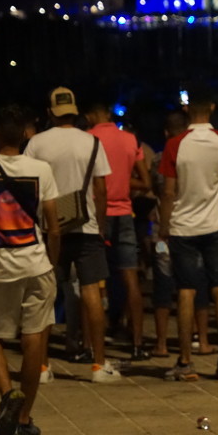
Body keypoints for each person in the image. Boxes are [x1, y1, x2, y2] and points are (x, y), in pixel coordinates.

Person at [0, 105, 61, 435]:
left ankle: (9, 395)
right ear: (25, 134)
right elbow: (53, 226)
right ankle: (24, 417)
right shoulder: (42, 169)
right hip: (36, 263)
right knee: (34, 335)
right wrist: (52, 260)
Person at [25, 87, 121, 383]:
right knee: (92, 292)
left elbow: (28, 186)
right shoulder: (92, 142)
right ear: (74, 110)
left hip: (49, 227)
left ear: (51, 111)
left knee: (46, 295)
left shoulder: (37, 143)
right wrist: (100, 225)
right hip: (86, 225)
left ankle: (42, 367)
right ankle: (98, 365)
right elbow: (101, 191)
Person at [159, 91, 218, 381]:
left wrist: (164, 227)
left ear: (188, 108)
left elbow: (168, 191)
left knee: (187, 290)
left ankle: (186, 361)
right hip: (215, 223)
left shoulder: (175, 145)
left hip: (183, 226)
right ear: (213, 106)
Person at [85, 102, 152, 361]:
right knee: (131, 278)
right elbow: (145, 182)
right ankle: (137, 343)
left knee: (91, 281)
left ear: (91, 115)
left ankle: (90, 343)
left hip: (96, 213)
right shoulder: (129, 139)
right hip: (124, 212)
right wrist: (123, 181)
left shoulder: (88, 139)